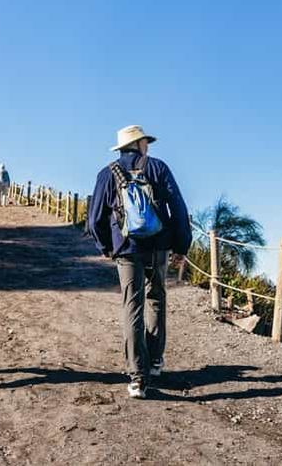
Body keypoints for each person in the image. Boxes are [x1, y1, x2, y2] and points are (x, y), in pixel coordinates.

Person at [88, 125, 191, 399]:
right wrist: (181, 245)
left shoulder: (107, 174)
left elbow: (95, 218)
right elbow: (178, 208)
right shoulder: (158, 168)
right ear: (141, 144)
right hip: (158, 245)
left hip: (126, 247)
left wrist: (106, 247)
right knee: (156, 298)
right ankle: (155, 361)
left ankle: (137, 378)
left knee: (132, 305)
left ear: (122, 147)